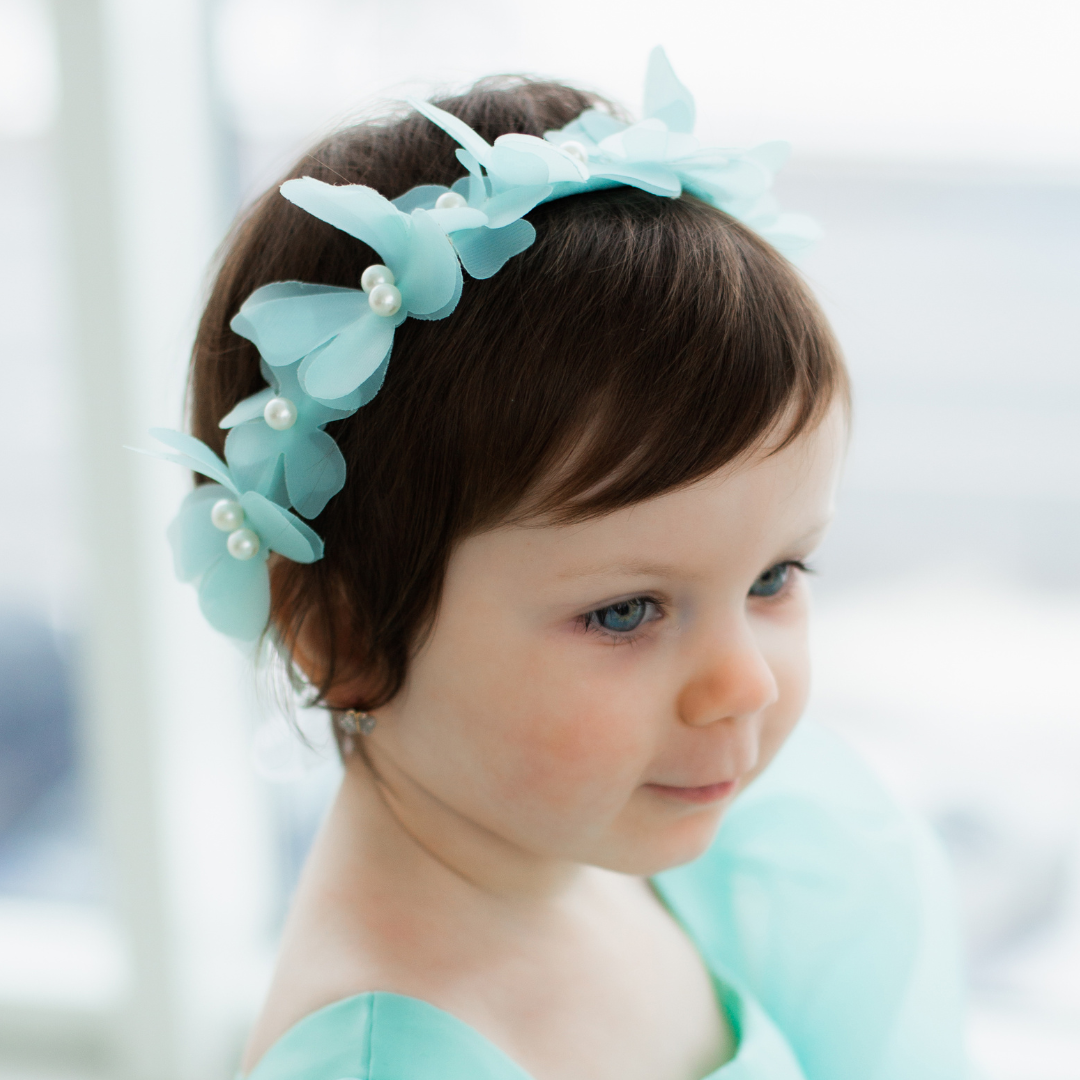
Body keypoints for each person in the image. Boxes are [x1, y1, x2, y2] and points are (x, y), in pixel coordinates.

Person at [154, 50, 968, 1080]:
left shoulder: (700, 849)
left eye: (774, 578)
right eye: (628, 612)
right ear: (342, 630)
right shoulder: (393, 1061)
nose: (745, 685)